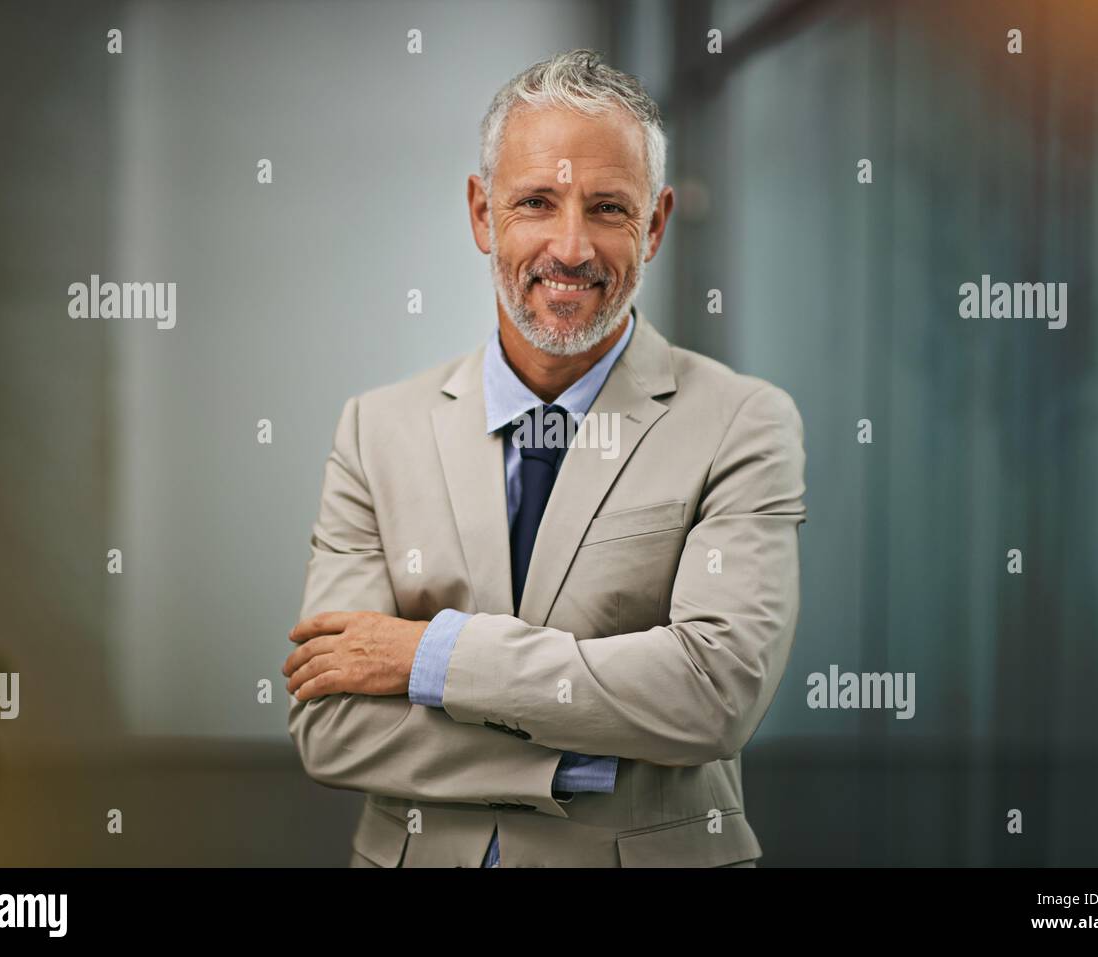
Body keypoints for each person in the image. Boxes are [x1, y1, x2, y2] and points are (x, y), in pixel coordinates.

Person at [284, 49, 806, 867]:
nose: (572, 247)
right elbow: (332, 724)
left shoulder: (742, 423)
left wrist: (427, 654)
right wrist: (575, 758)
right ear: (482, 213)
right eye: (536, 201)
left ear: (657, 224)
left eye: (607, 207)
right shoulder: (373, 430)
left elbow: (711, 695)